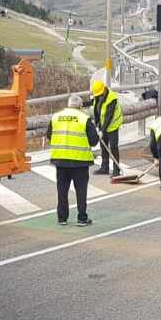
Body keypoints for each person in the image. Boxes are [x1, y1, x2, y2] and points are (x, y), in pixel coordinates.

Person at [49, 95, 100, 226]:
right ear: (80, 106)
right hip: (80, 161)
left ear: (68, 105)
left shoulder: (56, 117)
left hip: (61, 160)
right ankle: (82, 218)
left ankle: (62, 218)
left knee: (62, 190)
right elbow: (94, 141)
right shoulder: (84, 119)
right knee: (81, 191)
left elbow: (49, 135)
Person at [90, 79, 124, 175]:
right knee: (103, 147)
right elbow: (94, 105)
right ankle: (104, 168)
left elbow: (109, 116)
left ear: (104, 90)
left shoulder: (112, 98)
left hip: (112, 126)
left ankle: (116, 170)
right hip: (102, 126)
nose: (99, 96)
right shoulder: (98, 96)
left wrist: (102, 131)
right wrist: (81, 104)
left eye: (100, 94)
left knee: (113, 147)